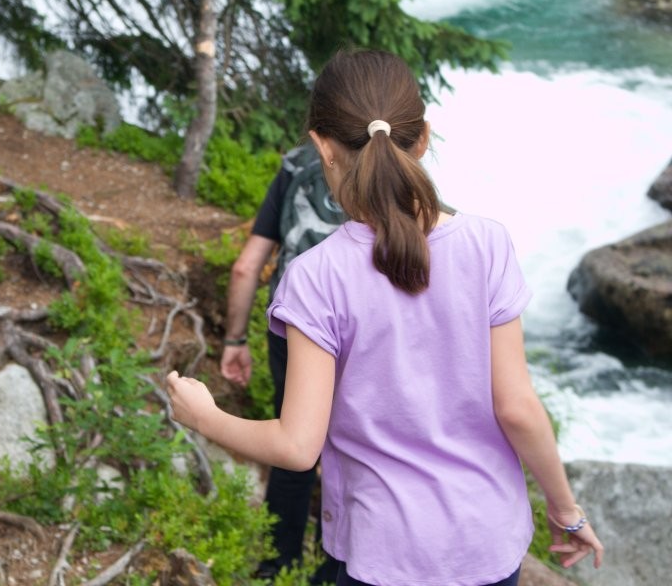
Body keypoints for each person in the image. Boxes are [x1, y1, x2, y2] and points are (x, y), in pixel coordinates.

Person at [168, 48, 605, 586]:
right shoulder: (487, 244)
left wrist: (204, 416)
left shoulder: (314, 276)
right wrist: (565, 510)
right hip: (486, 543)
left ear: (322, 148)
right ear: (422, 139)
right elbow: (517, 408)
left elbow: (297, 447)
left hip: (384, 552)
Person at [222, 142, 345, 583]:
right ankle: (335, 569)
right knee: (350, 450)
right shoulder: (394, 167)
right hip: (359, 331)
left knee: (293, 441)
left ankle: (277, 565)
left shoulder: (297, 164)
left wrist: (235, 339)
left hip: (294, 328)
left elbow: (246, 266)